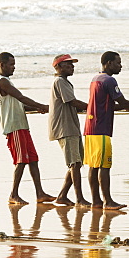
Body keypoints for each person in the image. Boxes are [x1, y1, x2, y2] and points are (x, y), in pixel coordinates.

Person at [84, 51, 129, 210]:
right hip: (101, 127)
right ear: (108, 63)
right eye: (118, 63)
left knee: (93, 165)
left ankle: (96, 201)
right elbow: (121, 100)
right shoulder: (109, 80)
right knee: (104, 166)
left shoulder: (95, 79)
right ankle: (108, 201)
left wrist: (128, 108)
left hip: (90, 127)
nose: (120, 66)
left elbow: (104, 104)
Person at [0, 52, 55, 206]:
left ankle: (40, 193)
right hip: (14, 127)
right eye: (11, 64)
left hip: (21, 125)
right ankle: (13, 194)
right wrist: (41, 106)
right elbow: (21, 97)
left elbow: (19, 105)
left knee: (33, 159)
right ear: (2, 65)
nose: (13, 68)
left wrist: (36, 108)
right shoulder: (2, 82)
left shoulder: (7, 81)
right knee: (21, 161)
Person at [48, 54, 89, 207]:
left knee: (76, 163)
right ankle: (79, 198)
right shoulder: (60, 81)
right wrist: (92, 106)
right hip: (65, 127)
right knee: (74, 163)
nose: (72, 67)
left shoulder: (65, 82)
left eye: (72, 64)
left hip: (71, 126)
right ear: (57, 67)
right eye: (68, 64)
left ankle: (62, 196)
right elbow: (72, 102)